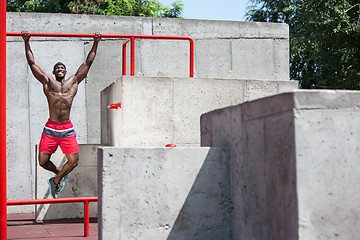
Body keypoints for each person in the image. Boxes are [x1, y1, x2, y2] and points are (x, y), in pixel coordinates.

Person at [22, 31, 101, 198]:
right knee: (43, 162)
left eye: (62, 68)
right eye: (57, 68)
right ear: (53, 71)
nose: (60, 69)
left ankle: (56, 180)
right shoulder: (47, 81)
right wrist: (26, 41)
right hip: (51, 127)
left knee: (74, 162)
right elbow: (32, 63)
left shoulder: (73, 82)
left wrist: (95, 42)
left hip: (66, 128)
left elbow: (89, 62)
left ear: (65, 71)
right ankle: (59, 175)